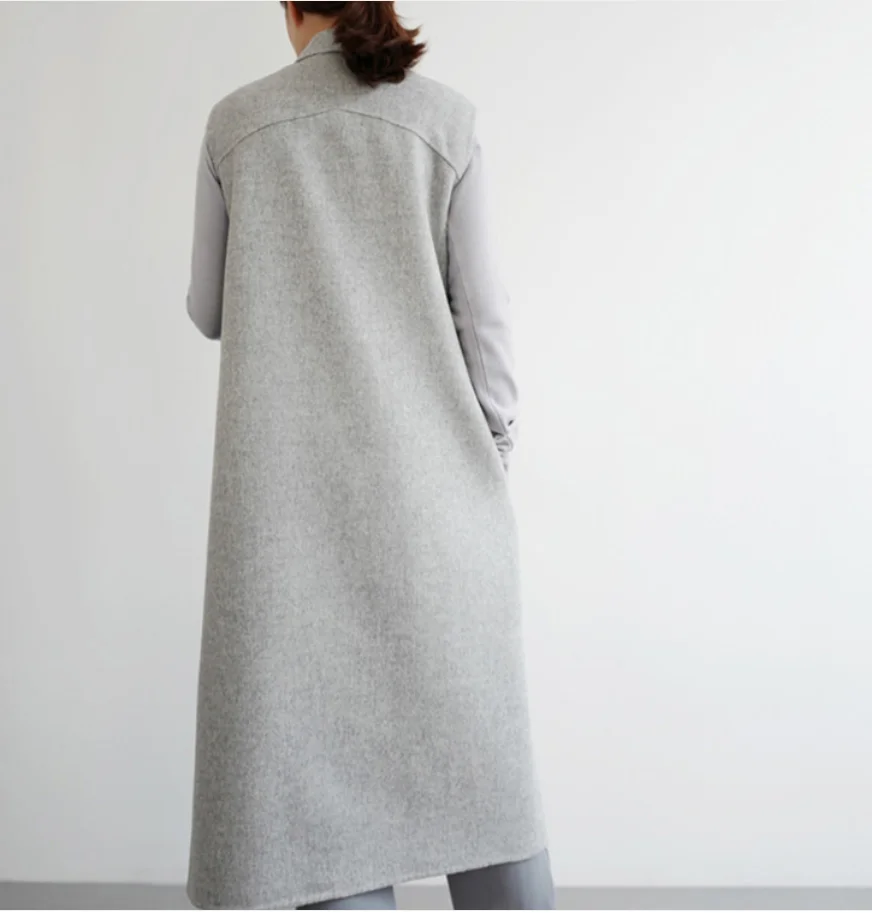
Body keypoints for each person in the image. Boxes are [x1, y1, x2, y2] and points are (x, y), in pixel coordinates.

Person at [184, 3, 554, 909]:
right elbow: (488, 326)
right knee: (483, 777)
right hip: (436, 506)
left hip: (291, 528)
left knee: (324, 819)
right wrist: (488, 454)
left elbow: (208, 308)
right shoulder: (445, 121)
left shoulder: (237, 125)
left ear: (290, 7)